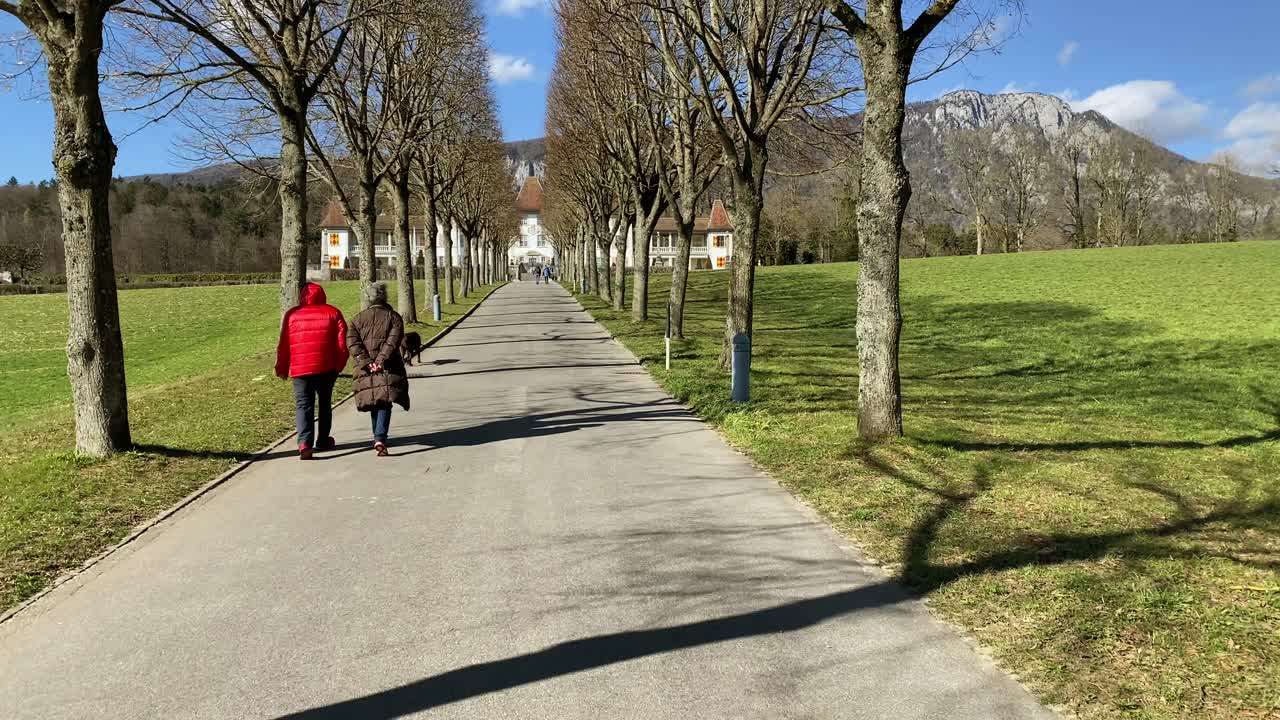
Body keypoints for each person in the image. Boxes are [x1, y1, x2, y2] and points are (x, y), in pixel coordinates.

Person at [275, 282, 348, 460]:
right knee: (324, 404)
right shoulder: (333, 312)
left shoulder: (292, 315)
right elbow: (341, 344)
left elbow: (284, 344)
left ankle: (304, 443)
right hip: (326, 367)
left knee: (303, 405)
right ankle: (322, 440)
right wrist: (339, 365)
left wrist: (282, 368)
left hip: (301, 369)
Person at [347, 283, 410, 456]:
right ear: (385, 297)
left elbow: (353, 344)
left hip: (366, 368)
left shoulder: (356, 320)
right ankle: (380, 437)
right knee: (384, 400)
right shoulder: (394, 317)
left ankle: (377, 436)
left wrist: (367, 362)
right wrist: (380, 361)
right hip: (389, 366)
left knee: (374, 399)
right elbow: (394, 341)